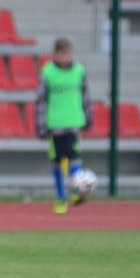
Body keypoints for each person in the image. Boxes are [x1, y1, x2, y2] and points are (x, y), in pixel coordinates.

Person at [35, 37, 92, 215]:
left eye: (68, 54)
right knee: (58, 162)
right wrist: (41, 124)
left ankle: (77, 192)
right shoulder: (48, 73)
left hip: (73, 123)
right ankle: (61, 198)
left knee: (74, 159)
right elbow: (41, 100)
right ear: (55, 54)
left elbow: (85, 96)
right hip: (55, 124)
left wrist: (88, 116)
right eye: (62, 54)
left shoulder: (79, 71)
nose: (65, 58)